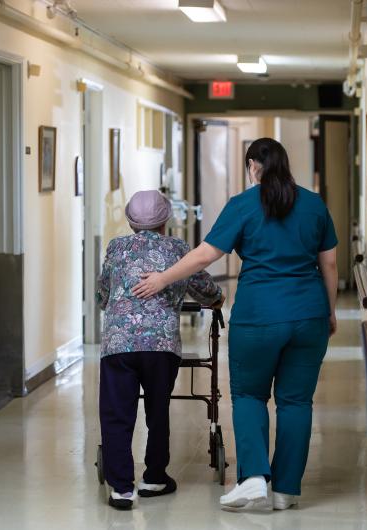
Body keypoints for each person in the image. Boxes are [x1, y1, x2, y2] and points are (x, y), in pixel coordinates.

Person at [132, 138, 338, 511]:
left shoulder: (243, 205)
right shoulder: (314, 204)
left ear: (251, 166)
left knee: (249, 395)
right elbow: (330, 266)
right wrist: (331, 312)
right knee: (296, 402)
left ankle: (255, 479)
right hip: (309, 315)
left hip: (259, 317)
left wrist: (162, 278)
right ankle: (286, 490)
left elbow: (205, 255)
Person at [97, 190, 225, 511]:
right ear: (166, 221)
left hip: (119, 345)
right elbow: (206, 289)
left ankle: (122, 489)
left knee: (117, 414)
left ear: (129, 220)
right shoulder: (179, 249)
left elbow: (103, 294)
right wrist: (216, 300)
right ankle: (154, 476)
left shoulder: (116, 248)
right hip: (161, 347)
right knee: (158, 409)